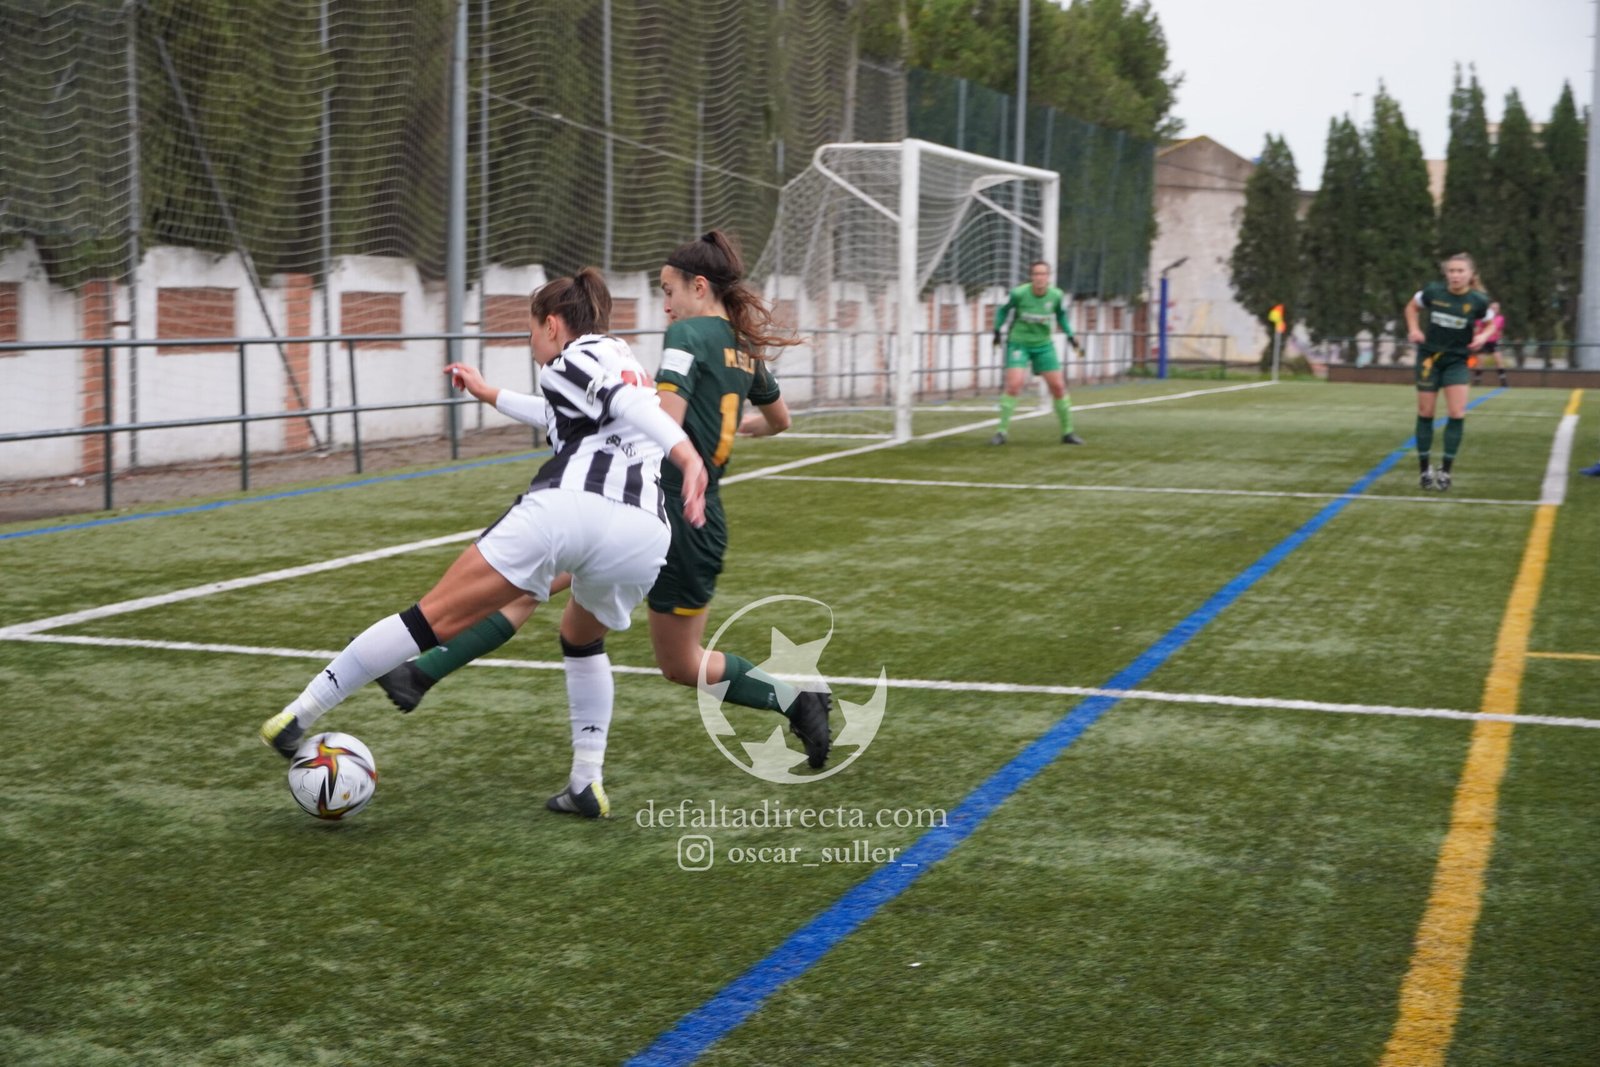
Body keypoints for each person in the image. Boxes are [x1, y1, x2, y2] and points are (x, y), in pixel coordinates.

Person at [375, 230, 834, 771]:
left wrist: (649, 430)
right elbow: (780, 420)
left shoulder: (687, 334)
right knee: (571, 608)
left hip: (655, 503)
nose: (665, 304)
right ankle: (421, 675)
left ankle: (421, 673)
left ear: (698, 286)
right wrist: (726, 434)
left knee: (567, 605)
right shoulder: (743, 346)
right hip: (701, 516)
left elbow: (664, 422)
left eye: (668, 290)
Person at [259, 268, 708, 820]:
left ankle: (297, 715)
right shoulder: (622, 357)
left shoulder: (574, 358)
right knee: (582, 638)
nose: (532, 344)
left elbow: (627, 408)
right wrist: (489, 392)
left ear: (552, 325)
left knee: (428, 620)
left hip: (572, 508)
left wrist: (687, 456)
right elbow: (572, 411)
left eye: (531, 332)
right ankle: (586, 782)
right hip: (644, 532)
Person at [1403, 253, 1494, 492]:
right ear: (1446, 273)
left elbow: (1492, 322)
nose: (1455, 275)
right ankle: (1424, 469)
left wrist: (1483, 336)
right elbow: (1411, 307)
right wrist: (1414, 329)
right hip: (1429, 360)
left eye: (1460, 271)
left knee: (1456, 412)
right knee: (1426, 412)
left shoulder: (1478, 300)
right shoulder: (1433, 292)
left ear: (1470, 275)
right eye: (1451, 271)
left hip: (1457, 361)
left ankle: (1445, 470)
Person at [989, 260, 1085, 446]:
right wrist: (996, 331)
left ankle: (1068, 433)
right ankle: (1001, 432)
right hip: (1019, 344)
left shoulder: (1056, 295)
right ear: (1031, 277)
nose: (1040, 277)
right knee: (1014, 385)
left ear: (1048, 277)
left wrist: (1071, 336)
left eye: (1043, 274)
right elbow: (1003, 310)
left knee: (1058, 387)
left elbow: (1061, 316)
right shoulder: (1019, 293)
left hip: (1044, 345)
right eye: (1036, 274)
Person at [1469, 299, 1510, 388]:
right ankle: (1477, 380)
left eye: (1496, 308)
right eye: (1493, 308)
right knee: (1480, 362)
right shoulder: (1483, 318)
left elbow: (1500, 330)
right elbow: (1477, 329)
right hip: (1483, 341)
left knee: (1499, 360)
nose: (1495, 309)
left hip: (1494, 342)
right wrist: (1475, 339)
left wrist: (1499, 338)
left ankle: (1503, 381)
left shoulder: (1500, 318)